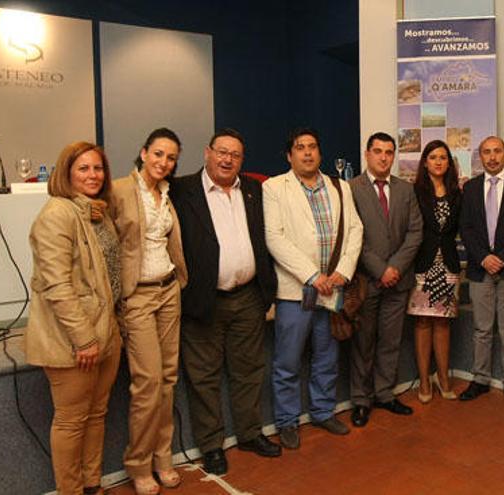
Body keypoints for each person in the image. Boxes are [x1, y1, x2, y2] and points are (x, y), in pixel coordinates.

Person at [169, 128, 281, 476]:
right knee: (204, 378)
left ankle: (249, 434)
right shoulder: (182, 190)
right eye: (222, 152)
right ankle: (212, 446)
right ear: (207, 152)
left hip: (248, 297)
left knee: (249, 372)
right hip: (203, 301)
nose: (227, 159)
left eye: (235, 154)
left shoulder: (253, 189)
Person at [26, 142, 121, 495]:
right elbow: (57, 286)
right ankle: (71, 490)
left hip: (107, 331)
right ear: (65, 173)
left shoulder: (96, 212)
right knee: (71, 421)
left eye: (98, 168)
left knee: (97, 415)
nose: (93, 175)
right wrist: (84, 338)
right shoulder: (57, 215)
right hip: (76, 341)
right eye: (83, 169)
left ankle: (91, 484)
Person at [264, 128, 363, 448]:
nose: (307, 153)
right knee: (288, 360)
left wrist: (342, 272)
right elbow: (274, 237)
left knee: (326, 355)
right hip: (297, 291)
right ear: (289, 155)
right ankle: (287, 421)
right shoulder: (275, 187)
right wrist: (311, 275)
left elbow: (355, 230)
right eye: (300, 148)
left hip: (332, 288)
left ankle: (323, 411)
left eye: (312, 147)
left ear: (320, 153)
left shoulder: (340, 186)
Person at [110, 128, 188, 494]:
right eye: (158, 154)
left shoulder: (167, 194)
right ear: (143, 153)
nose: (163, 163)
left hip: (168, 290)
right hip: (137, 297)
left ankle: (163, 456)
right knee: (148, 383)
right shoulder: (120, 190)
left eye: (170, 158)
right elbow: (106, 244)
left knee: (168, 380)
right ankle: (138, 463)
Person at [348, 132, 422, 426]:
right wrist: (381, 269)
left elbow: (415, 232)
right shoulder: (351, 188)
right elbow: (354, 235)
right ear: (367, 154)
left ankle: (384, 394)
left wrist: (396, 268)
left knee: (390, 342)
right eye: (377, 151)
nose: (383, 157)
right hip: (367, 281)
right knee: (363, 343)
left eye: (388, 152)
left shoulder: (406, 189)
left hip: (399, 281)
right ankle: (361, 400)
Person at [458, 136, 504, 407]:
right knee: (481, 328)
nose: (492, 157)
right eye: (486, 152)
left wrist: (502, 258)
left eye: (497, 151)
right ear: (480, 157)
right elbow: (466, 227)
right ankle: (480, 379)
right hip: (479, 268)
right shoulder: (471, 187)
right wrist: (484, 257)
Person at [407, 140, 462, 402]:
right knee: (422, 321)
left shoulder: (457, 192)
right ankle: (424, 382)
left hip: (448, 265)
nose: (438, 161)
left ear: (449, 162)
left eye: (443, 157)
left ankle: (443, 379)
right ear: (425, 162)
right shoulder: (414, 192)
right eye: (433, 157)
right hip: (423, 265)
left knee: (443, 322)